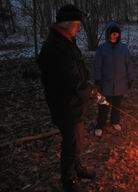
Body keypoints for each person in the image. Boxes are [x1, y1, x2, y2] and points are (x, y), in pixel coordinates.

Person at [37, 4, 94, 192]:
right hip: (65, 106)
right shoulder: (55, 47)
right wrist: (87, 92)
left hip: (74, 104)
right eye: (77, 24)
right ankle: (68, 180)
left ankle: (77, 168)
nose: (78, 28)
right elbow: (67, 82)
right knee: (71, 143)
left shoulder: (66, 40)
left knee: (77, 141)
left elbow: (77, 71)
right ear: (68, 24)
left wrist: (88, 85)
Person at [92, 21, 135, 137]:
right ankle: (100, 125)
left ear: (119, 35)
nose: (114, 36)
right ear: (108, 34)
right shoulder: (102, 49)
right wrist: (97, 79)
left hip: (120, 83)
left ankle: (115, 121)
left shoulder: (124, 48)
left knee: (117, 105)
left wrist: (131, 78)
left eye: (116, 33)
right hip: (104, 84)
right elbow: (97, 65)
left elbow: (129, 64)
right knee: (103, 105)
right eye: (112, 33)